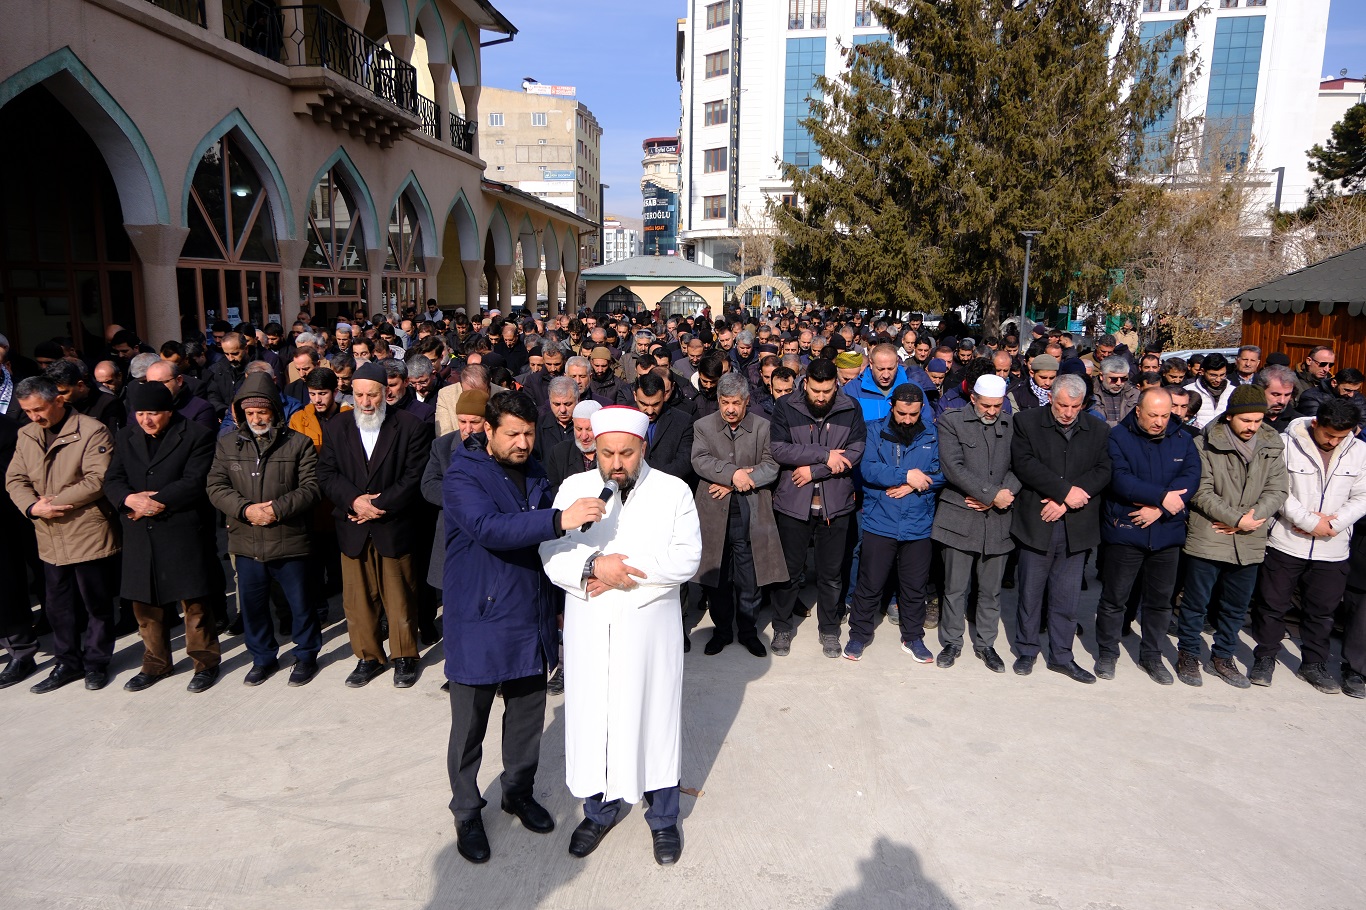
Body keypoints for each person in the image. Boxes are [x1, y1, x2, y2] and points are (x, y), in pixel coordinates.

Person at [441, 390, 606, 865]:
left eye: (529, 434)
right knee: (469, 725)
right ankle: (467, 810)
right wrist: (560, 519)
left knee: (527, 717)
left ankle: (517, 791)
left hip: (529, 612)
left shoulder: (534, 471)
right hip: (480, 614)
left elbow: (547, 551)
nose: (522, 443)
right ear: (487, 431)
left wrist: (555, 603)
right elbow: (490, 528)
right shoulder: (463, 475)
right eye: (512, 433)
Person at [541, 406, 703, 866]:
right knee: (596, 717)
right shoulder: (575, 489)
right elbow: (550, 550)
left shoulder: (673, 491)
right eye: (606, 453)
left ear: (643, 448)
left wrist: (619, 573)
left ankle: (664, 817)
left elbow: (687, 558)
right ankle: (599, 810)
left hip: (649, 628)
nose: (615, 463)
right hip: (591, 624)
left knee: (655, 717)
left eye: (625, 454)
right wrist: (591, 566)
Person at [317, 361, 434, 688]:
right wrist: (355, 501)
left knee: (400, 597)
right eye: (359, 396)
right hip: (352, 525)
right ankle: (369, 657)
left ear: (387, 393)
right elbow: (326, 474)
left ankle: (405, 657)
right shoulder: (338, 427)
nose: (366, 403)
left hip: (393, 526)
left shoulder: (410, 426)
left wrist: (378, 505)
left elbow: (414, 477)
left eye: (372, 395)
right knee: (357, 601)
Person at [207, 371, 324, 686]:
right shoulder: (229, 444)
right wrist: (245, 509)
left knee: (300, 605)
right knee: (254, 607)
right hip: (246, 541)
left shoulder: (298, 444)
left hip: (289, 541)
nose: (257, 418)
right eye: (250, 413)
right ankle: (262, 658)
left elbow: (312, 487)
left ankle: (306, 655)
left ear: (275, 410)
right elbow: (216, 486)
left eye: (263, 411)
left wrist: (276, 509)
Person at [103, 382, 221, 692]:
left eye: (153, 413)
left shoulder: (196, 435)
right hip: (139, 531)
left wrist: (154, 502)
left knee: (194, 604)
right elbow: (112, 479)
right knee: (144, 605)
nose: (146, 420)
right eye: (141, 413)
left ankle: (205, 661)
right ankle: (155, 662)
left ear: (169, 412)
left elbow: (195, 481)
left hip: (180, 529)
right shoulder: (126, 436)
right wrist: (130, 500)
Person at [5, 376, 120, 693]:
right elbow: (15, 479)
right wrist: (32, 507)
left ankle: (96, 663)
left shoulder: (91, 429)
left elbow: (97, 480)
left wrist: (51, 503)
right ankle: (67, 663)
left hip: (86, 530)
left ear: (58, 400)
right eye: (27, 411)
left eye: (39, 409)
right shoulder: (27, 434)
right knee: (57, 606)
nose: (34, 417)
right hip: (49, 534)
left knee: (96, 603)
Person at [1251, 399, 1366, 693]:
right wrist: (1305, 520)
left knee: (1322, 611)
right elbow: (1276, 487)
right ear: (1316, 424)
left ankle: (1313, 664)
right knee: (1272, 605)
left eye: (1342, 436)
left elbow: (1362, 495)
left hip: (1333, 546)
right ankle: (1265, 657)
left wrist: (1335, 523)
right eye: (1329, 434)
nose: (1334, 441)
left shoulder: (1360, 451)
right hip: (1287, 541)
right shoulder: (1285, 443)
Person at [1176, 385, 1287, 688]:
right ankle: (1187, 653)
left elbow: (1278, 489)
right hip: (1210, 533)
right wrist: (1235, 518)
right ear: (1230, 417)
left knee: (1236, 605)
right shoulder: (1205, 443)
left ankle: (1223, 656)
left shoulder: (1271, 443)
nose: (1252, 427)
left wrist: (1249, 520)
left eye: (1257, 420)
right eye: (1246, 420)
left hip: (1250, 536)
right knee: (1196, 602)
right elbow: (1200, 489)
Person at [1093, 388, 1201, 684]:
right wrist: (1162, 498)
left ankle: (1151, 656)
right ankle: (1107, 652)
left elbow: (1191, 476)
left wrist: (1161, 509)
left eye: (1165, 415)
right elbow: (1120, 479)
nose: (1159, 422)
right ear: (1138, 410)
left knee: (1159, 601)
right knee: (1115, 598)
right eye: (1153, 415)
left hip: (1166, 532)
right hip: (1127, 529)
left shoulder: (1183, 438)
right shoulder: (1119, 437)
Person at [1008, 374, 1111, 681]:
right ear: (1050, 397)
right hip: (1037, 520)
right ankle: (1027, 650)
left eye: (1075, 406)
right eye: (1063, 405)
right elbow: (1024, 464)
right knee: (1030, 592)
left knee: (1067, 598)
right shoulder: (1027, 422)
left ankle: (1062, 655)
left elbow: (1104, 469)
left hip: (1075, 524)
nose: (1068, 412)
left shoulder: (1098, 429)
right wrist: (1063, 491)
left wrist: (1068, 501)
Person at [768, 358, 867, 658]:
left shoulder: (850, 408)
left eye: (827, 390)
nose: (821, 397)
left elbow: (855, 451)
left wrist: (815, 470)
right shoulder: (786, 407)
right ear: (805, 383)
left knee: (831, 574)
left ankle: (829, 629)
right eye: (815, 391)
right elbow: (779, 448)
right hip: (793, 504)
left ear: (836, 383)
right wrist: (824, 455)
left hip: (835, 506)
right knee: (788, 572)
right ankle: (782, 627)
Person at [845, 383, 943, 662]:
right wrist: (905, 475)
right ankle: (858, 636)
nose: (908, 420)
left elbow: (942, 472)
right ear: (892, 407)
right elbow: (868, 469)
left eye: (914, 414)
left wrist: (913, 485)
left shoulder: (932, 433)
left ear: (922, 409)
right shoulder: (873, 430)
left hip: (918, 522)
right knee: (870, 583)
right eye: (902, 414)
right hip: (880, 520)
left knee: (914, 587)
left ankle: (913, 637)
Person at [689, 373, 785, 656]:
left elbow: (771, 464)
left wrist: (735, 483)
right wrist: (734, 474)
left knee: (749, 578)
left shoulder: (763, 427)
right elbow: (700, 460)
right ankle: (721, 632)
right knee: (718, 578)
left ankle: (747, 631)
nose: (730, 409)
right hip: (715, 515)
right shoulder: (703, 426)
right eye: (724, 402)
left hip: (750, 511)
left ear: (746, 402)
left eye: (736, 403)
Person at [931, 374, 1019, 672]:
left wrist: (1001, 496)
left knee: (991, 590)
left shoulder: (1011, 424)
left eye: (997, 406)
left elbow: (1021, 465)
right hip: (960, 516)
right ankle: (952, 642)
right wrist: (992, 494)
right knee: (955, 587)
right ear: (973, 399)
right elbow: (953, 467)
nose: (992, 411)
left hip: (997, 521)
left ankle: (986, 644)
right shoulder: (951, 421)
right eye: (986, 405)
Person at [635, 371, 695, 483]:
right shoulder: (624, 419)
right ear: (635, 396)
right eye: (644, 404)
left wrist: (655, 480)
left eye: (655, 404)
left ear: (664, 396)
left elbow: (685, 460)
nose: (650, 411)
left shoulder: (683, 421)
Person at [546, 400, 602, 497]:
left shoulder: (612, 454)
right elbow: (554, 491)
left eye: (590, 429)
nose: (584, 436)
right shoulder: (559, 453)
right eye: (579, 429)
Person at [1184, 352, 1235, 429]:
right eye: (1213, 375)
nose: (1218, 379)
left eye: (1222, 375)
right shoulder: (1188, 390)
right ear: (1202, 371)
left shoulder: (1234, 391)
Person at [534, 375, 578, 462]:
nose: (562, 410)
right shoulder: (539, 426)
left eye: (567, 404)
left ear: (577, 400)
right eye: (557, 404)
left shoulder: (587, 425)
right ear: (550, 402)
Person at [1256, 365, 1304, 433]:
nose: (1282, 401)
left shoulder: (1299, 422)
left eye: (1287, 395)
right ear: (1260, 391)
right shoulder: (1246, 419)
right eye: (1276, 395)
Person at [1094, 355, 1139, 427]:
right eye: (1114, 379)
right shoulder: (1091, 393)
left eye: (1123, 379)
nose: (1119, 383)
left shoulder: (1134, 393)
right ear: (1101, 376)